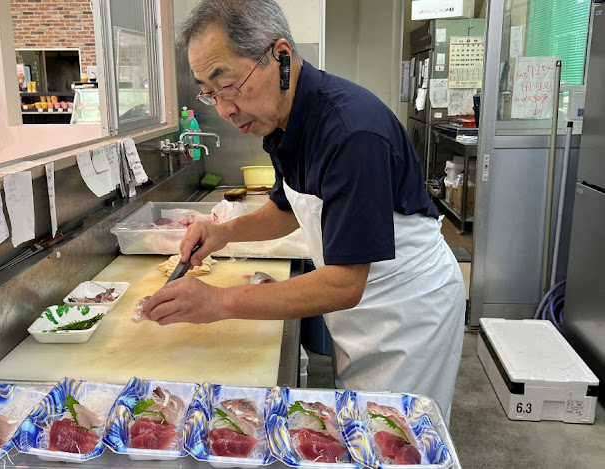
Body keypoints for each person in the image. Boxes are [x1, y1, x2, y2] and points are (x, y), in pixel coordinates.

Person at [143, 0, 465, 420]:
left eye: (230, 84)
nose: (224, 109)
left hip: (407, 313)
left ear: (280, 55)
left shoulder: (352, 133)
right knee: (361, 429)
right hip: (362, 310)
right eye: (209, 92)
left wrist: (219, 302)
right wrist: (223, 232)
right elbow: (288, 207)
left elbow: (343, 284)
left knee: (399, 439)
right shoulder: (284, 120)